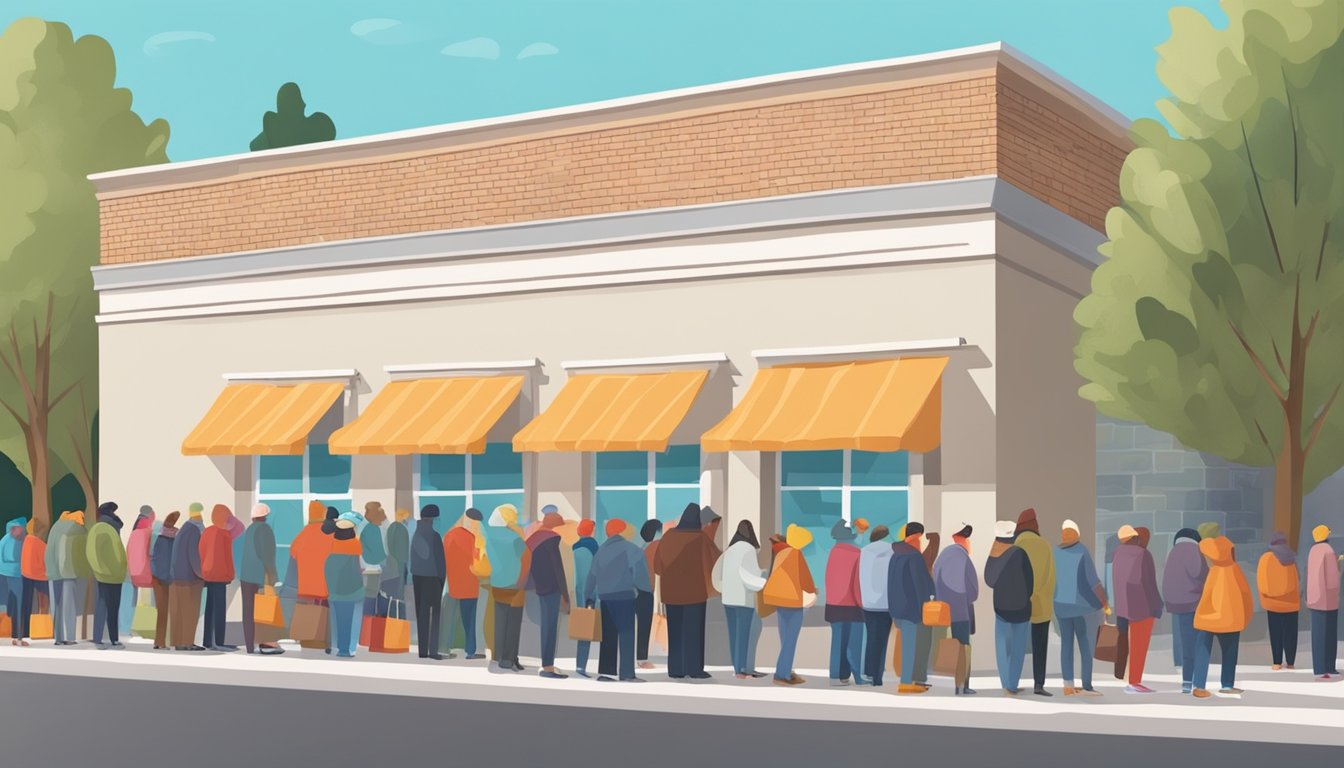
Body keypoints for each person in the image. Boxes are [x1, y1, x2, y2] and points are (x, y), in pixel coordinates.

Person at [655, 503, 720, 679]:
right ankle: (694, 669)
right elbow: (715, 560)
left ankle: (676, 669)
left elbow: (657, 567)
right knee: (694, 632)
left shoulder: (668, 537)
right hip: (695, 593)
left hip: (672, 595)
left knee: (675, 632)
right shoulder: (700, 538)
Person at [586, 518, 651, 682]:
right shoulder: (631, 549)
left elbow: (592, 577)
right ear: (623, 531)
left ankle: (607, 673)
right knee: (626, 633)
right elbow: (640, 575)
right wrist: (645, 590)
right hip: (624, 596)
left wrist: (589, 598)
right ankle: (627, 673)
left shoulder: (600, 551)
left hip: (605, 598)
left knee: (608, 635)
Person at [1192, 533, 1252, 698]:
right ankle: (1227, 684)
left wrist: (1201, 614)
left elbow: (1206, 596)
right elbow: (1246, 594)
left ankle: (1199, 685)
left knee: (1203, 651)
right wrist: (1246, 616)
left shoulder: (1214, 571)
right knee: (1230, 652)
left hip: (1208, 619)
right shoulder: (1235, 570)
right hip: (1231, 619)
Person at [1053, 519, 1107, 696]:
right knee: (1085, 645)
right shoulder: (1082, 550)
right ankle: (1087, 685)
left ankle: (1068, 685)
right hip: (1081, 607)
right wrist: (1101, 603)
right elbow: (1092, 581)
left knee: (1066, 645)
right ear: (1077, 534)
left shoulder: (1054, 552)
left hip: (1060, 606)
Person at [762, 524, 815, 686]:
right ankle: (781, 674)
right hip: (792, 600)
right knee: (790, 639)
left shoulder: (779, 553)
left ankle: (787, 670)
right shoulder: (795, 553)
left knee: (785, 638)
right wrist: (812, 591)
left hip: (778, 599)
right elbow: (805, 578)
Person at [713, 520, 766, 679]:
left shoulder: (729, 550)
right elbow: (749, 575)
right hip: (744, 599)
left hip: (728, 599)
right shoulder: (748, 549)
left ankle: (737, 668)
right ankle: (742, 669)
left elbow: (718, 573)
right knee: (744, 635)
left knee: (734, 635)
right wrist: (764, 580)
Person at [1112, 524, 1162, 693]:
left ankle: (1126, 677)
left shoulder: (1118, 553)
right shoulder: (1143, 554)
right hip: (1142, 605)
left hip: (1122, 605)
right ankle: (1134, 681)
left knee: (1126, 641)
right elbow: (1149, 583)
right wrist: (1157, 605)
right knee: (1139, 645)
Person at [1011, 508, 1055, 696]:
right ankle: (1038, 684)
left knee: (1015, 644)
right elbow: (1051, 576)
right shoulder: (1044, 545)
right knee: (1040, 644)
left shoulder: (1015, 545)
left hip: (1018, 602)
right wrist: (1040, 594)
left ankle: (1013, 682)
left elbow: (1011, 576)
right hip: (1041, 604)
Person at [985, 520, 1032, 696]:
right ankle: (1012, 685)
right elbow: (1030, 580)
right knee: (1018, 647)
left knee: (1002, 645)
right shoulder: (1020, 553)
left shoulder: (993, 555)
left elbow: (989, 581)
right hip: (1021, 607)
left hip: (1001, 607)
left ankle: (1005, 684)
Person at [887, 521, 934, 694]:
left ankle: (911, 680)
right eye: (920, 538)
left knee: (907, 644)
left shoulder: (895, 555)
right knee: (910, 645)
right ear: (915, 537)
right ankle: (906, 682)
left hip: (897, 608)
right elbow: (921, 585)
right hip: (912, 609)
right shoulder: (914, 557)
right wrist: (930, 599)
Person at [934, 524, 979, 695]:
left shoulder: (942, 556)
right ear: (964, 540)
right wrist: (965, 599)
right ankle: (963, 685)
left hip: (944, 611)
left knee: (949, 645)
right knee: (963, 647)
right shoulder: (964, 557)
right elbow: (973, 589)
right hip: (962, 610)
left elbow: (935, 578)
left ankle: (951, 684)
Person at [483, 504, 527, 672]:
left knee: (500, 622)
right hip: (514, 585)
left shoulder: (490, 537)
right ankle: (509, 659)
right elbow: (527, 547)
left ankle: (499, 656)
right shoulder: (515, 538)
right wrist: (517, 530)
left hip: (497, 584)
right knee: (514, 623)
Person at [527, 510, 570, 679]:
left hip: (540, 587)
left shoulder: (533, 539)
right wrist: (565, 593)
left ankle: (547, 664)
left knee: (547, 625)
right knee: (550, 627)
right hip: (552, 588)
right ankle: (548, 666)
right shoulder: (551, 540)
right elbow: (557, 568)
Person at [1162, 528, 1206, 693]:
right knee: (1196, 644)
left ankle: (1186, 681)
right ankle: (1194, 681)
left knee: (1184, 642)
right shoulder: (1194, 550)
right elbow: (1199, 572)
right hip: (1193, 602)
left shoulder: (1173, 552)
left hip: (1175, 603)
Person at [443, 507, 487, 661]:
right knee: (470, 619)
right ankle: (470, 651)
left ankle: (444, 649)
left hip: (453, 583)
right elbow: (477, 560)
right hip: (470, 583)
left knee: (450, 618)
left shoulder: (449, 535)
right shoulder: (473, 538)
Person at [240, 504, 283, 655]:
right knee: (265, 609)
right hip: (260, 575)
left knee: (248, 611)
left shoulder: (248, 530)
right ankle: (267, 643)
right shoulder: (265, 529)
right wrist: (273, 576)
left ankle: (250, 646)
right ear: (265, 516)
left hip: (245, 576)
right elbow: (268, 555)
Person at [199, 504, 243, 651]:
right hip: (220, 575)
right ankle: (219, 641)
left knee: (209, 607)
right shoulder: (224, 534)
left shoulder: (207, 531)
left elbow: (201, 551)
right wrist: (230, 574)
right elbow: (227, 557)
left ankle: (207, 641)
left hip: (207, 574)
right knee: (219, 609)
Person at [1257, 531, 1300, 672]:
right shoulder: (1291, 558)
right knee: (1291, 634)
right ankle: (1291, 663)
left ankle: (1276, 662)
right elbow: (1296, 580)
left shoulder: (1265, 558)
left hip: (1273, 604)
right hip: (1291, 604)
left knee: (1275, 634)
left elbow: (1261, 582)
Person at [88, 503, 128, 649]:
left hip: (109, 574)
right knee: (112, 607)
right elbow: (95, 552)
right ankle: (112, 639)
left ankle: (99, 638)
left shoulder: (104, 528)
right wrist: (103, 569)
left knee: (103, 604)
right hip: (111, 574)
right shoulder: (105, 529)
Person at [409, 504, 446, 660]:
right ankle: (433, 651)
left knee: (421, 613)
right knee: (435, 615)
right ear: (434, 518)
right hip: (432, 578)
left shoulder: (415, 533)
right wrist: (442, 580)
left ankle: (423, 651)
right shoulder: (434, 536)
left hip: (417, 577)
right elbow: (440, 562)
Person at [46, 509, 88, 646]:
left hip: (52, 572)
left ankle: (58, 638)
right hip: (68, 572)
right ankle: (69, 637)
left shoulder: (55, 527)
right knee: (69, 605)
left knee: (56, 605)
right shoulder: (75, 527)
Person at [859, 525, 894, 686]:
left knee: (872, 638)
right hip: (885, 603)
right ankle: (877, 677)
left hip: (867, 603)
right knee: (881, 640)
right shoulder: (891, 550)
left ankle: (869, 671)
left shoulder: (864, 551)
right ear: (886, 535)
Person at [169, 504, 207, 651]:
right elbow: (194, 556)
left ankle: (178, 642)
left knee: (178, 611)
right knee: (190, 611)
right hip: (189, 579)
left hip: (177, 578)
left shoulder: (183, 530)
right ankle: (187, 642)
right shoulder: (194, 531)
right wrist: (202, 575)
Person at [325, 518, 364, 658]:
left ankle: (337, 646)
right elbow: (359, 567)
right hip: (351, 590)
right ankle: (345, 649)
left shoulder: (331, 546)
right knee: (348, 620)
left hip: (334, 590)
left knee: (337, 620)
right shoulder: (355, 545)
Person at [1306, 524, 1340, 680]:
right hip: (1328, 600)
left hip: (1314, 598)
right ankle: (1329, 667)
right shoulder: (1328, 550)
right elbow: (1333, 580)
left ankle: (1319, 667)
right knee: (1329, 635)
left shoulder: (1313, 551)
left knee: (1318, 636)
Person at [572, 519, 599, 677]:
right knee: (587, 631)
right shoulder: (594, 546)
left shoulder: (574, 546)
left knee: (581, 629)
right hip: (591, 593)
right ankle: (582, 666)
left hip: (579, 592)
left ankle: (579, 665)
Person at [149, 513, 179, 649]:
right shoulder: (175, 539)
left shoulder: (158, 538)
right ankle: (170, 641)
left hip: (158, 579)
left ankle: (159, 641)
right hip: (170, 579)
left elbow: (154, 559)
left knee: (161, 611)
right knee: (171, 610)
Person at [636, 518, 663, 670]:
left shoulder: (640, 548)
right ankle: (642, 658)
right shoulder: (655, 547)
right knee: (644, 625)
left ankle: (640, 657)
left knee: (639, 625)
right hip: (647, 590)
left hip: (637, 590)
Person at [359, 502, 389, 623]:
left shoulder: (365, 527)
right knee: (375, 601)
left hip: (369, 569)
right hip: (375, 570)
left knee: (370, 601)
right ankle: (373, 632)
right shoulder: (373, 529)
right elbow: (378, 554)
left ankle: (367, 631)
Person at [18, 519, 47, 646]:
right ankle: (42, 630)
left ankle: (24, 632)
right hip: (40, 577)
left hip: (25, 575)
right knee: (43, 605)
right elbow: (45, 560)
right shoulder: (39, 543)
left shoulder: (26, 540)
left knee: (26, 605)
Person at [127, 507, 156, 622]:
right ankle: (153, 622)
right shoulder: (150, 532)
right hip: (147, 573)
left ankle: (130, 624)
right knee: (155, 596)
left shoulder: (134, 532)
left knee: (133, 601)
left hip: (132, 573)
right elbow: (153, 552)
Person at [2, 517, 25, 646]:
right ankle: (18, 637)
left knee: (10, 605)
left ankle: (15, 636)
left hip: (7, 575)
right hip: (14, 575)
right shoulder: (12, 541)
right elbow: (12, 557)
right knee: (18, 605)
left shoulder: (4, 540)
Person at [387, 508, 412, 600]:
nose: (406, 519)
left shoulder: (393, 526)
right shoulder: (398, 527)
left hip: (398, 558)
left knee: (400, 577)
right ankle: (399, 597)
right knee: (400, 578)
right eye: (405, 517)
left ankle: (398, 596)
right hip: (399, 558)